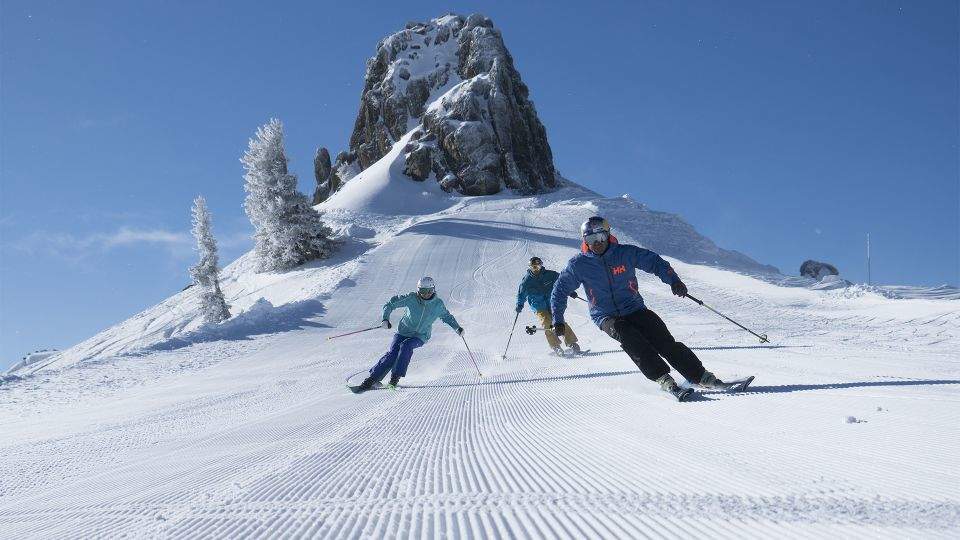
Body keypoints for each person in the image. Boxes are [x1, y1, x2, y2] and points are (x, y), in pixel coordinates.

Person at [550, 216, 729, 398]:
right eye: (591, 239)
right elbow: (559, 290)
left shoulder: (625, 253)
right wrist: (558, 320)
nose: (597, 243)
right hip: (605, 316)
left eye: (601, 237)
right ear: (584, 241)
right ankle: (664, 379)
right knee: (629, 337)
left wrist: (673, 281)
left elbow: (654, 261)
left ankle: (700, 376)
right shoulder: (579, 265)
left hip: (634, 308)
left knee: (663, 339)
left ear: (608, 235)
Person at [357, 276, 463, 391]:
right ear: (418, 290)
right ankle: (372, 379)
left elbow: (447, 317)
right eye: (423, 291)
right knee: (393, 354)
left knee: (406, 346)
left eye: (429, 291)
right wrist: (385, 319)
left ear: (433, 290)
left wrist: (457, 328)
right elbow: (390, 304)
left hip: (420, 336)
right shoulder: (411, 298)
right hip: (403, 332)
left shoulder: (438, 304)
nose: (426, 294)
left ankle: (394, 378)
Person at [515, 256, 581, 355]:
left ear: (541, 265)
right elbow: (521, 294)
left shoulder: (551, 275)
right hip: (538, 306)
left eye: (538, 266)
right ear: (530, 267)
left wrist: (570, 291)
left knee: (559, 322)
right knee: (547, 323)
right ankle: (555, 346)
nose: (536, 269)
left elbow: (562, 282)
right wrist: (519, 305)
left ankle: (571, 343)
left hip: (552, 303)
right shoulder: (526, 282)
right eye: (534, 267)